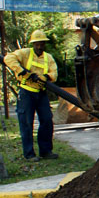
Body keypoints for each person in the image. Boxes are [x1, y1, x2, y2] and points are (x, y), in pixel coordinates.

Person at [3, 30, 59, 162]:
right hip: (26, 93)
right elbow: (8, 58)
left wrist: (45, 77)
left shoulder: (48, 58)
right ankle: (29, 154)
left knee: (47, 120)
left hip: (41, 93)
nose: (39, 47)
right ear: (33, 44)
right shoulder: (25, 53)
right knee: (26, 123)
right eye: (37, 44)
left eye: (41, 44)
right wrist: (22, 71)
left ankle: (46, 151)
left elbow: (54, 74)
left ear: (44, 44)